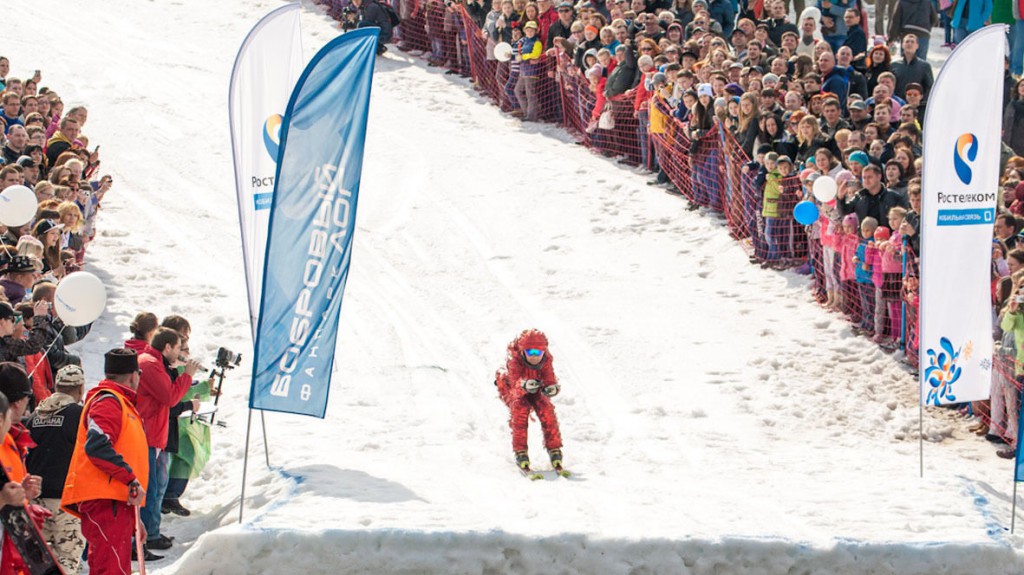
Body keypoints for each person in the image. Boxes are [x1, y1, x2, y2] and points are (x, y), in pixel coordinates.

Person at [62, 348, 152, 571]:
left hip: (116, 502)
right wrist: (130, 479)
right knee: (109, 568)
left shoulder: (119, 402)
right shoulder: (109, 401)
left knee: (115, 567)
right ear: (133, 375)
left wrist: (134, 515)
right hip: (105, 501)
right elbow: (97, 445)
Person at [136, 328, 200, 552]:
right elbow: (170, 398)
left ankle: (151, 533)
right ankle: (146, 537)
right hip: (147, 434)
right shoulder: (150, 363)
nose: (179, 353)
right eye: (177, 348)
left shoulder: (154, 362)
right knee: (150, 489)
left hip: (153, 433)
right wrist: (187, 375)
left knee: (154, 488)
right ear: (167, 347)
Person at [25, 364, 86, 574]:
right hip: (65, 501)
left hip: (36, 500)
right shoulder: (79, 414)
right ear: (80, 389)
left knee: (44, 563)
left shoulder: (34, 417)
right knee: (68, 561)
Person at [493, 329, 565, 472]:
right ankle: (520, 451)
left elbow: (549, 377)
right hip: (515, 391)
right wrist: (524, 385)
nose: (534, 357)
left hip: (536, 389)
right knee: (520, 411)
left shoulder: (546, 360)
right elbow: (514, 385)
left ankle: (554, 449)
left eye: (538, 353)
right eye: (530, 352)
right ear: (522, 352)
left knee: (547, 410)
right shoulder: (515, 361)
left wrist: (552, 388)